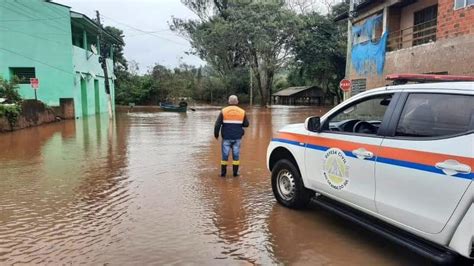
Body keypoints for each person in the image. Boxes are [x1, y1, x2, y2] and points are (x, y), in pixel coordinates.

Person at [214, 95, 249, 177]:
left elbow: (217, 124)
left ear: (229, 102)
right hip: (237, 138)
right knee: (236, 155)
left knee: (225, 156)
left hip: (226, 137)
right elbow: (246, 124)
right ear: (237, 102)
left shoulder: (223, 111)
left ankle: (223, 174)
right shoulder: (242, 112)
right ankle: (235, 173)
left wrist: (216, 134)